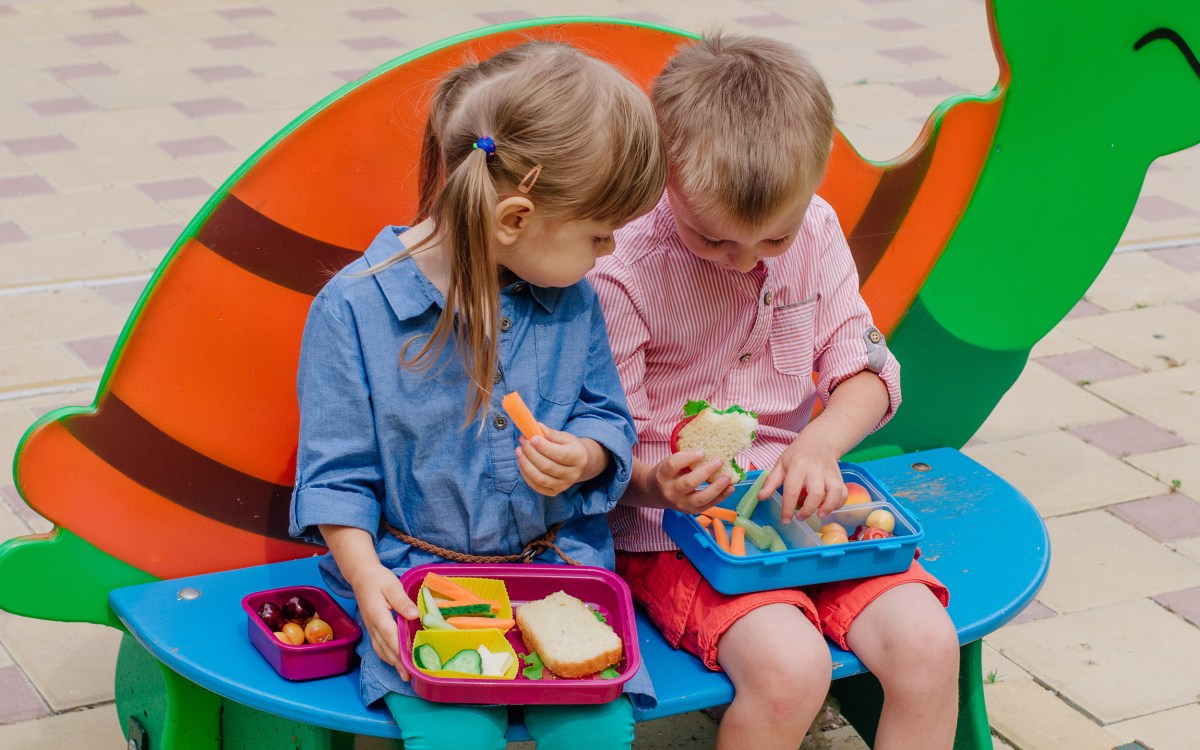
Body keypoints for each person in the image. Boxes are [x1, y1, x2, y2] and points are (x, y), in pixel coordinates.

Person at [290, 41, 667, 750]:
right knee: (456, 737)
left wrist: (585, 455)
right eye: (598, 234)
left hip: (560, 575)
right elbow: (337, 479)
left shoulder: (573, 300)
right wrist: (367, 578)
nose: (609, 254)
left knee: (595, 736)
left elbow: (605, 415)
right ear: (514, 220)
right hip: (417, 581)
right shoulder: (354, 312)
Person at [589, 33, 960, 750]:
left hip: (810, 511)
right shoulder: (624, 268)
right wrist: (658, 484)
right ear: (666, 171)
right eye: (714, 241)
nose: (744, 260)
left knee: (926, 646)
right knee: (791, 670)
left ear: (814, 181)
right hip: (673, 536)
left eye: (771, 241)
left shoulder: (816, 230)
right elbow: (606, 451)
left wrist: (822, 444)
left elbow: (866, 370)